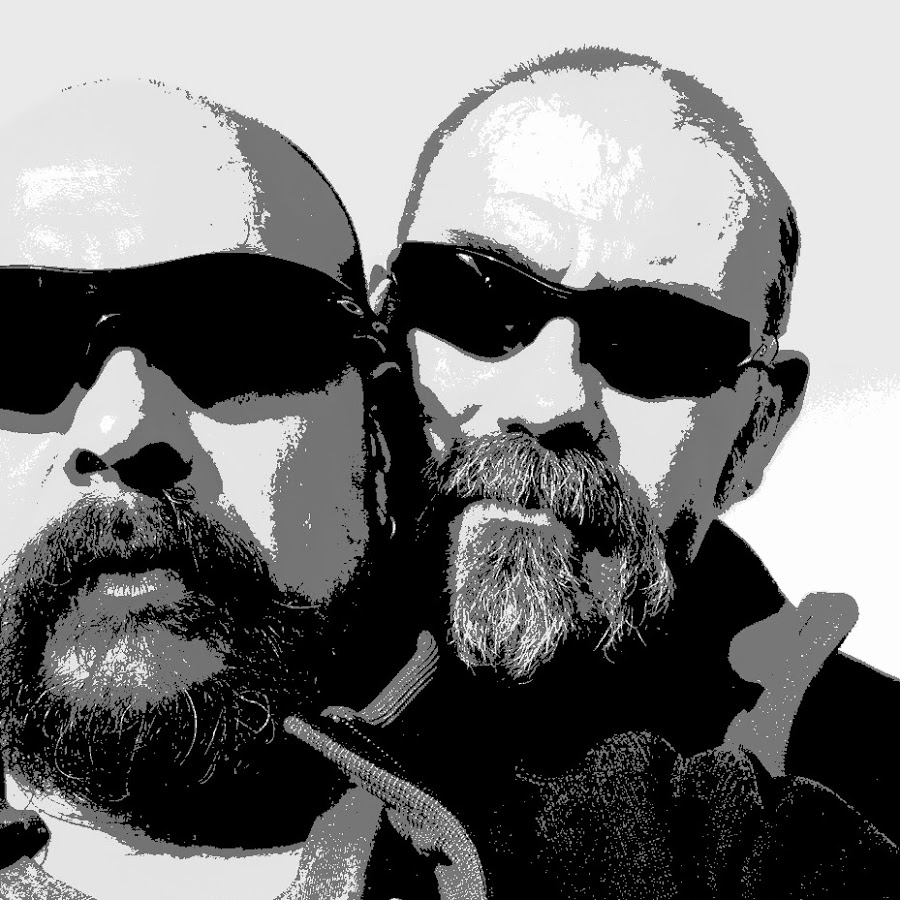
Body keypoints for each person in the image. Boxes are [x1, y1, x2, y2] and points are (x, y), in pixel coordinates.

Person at [373, 47, 900, 894]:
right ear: (383, 332)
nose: (550, 400)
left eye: (657, 340)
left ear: (758, 428)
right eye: (481, 300)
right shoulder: (202, 693)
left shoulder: (882, 796)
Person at [0, 78, 452, 900]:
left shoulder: (641, 844)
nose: (121, 431)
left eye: (235, 336)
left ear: (381, 437)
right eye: (16, 349)